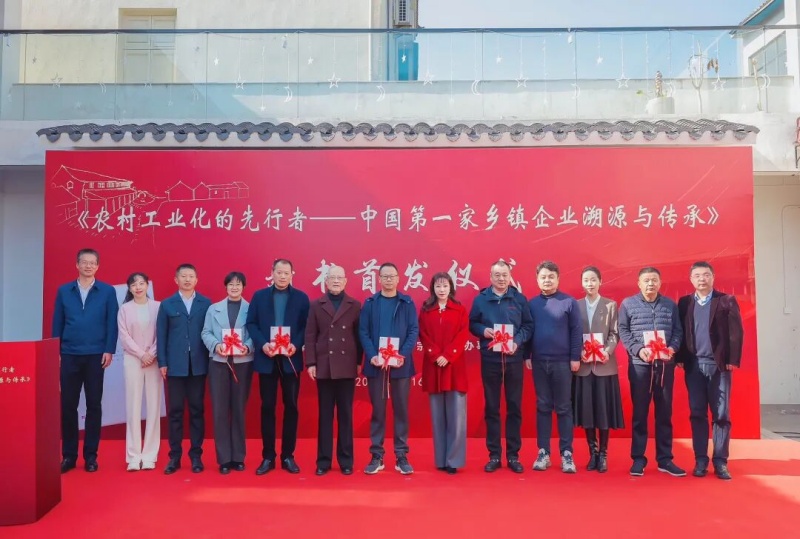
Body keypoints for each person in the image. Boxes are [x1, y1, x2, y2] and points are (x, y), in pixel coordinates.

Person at [676, 261, 744, 481]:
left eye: (706, 275)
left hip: (719, 366)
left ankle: (721, 461)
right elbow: (681, 332)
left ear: (713, 277)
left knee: (721, 414)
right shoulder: (685, 303)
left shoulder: (725, 301)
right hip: (694, 366)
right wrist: (680, 358)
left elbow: (736, 332)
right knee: (697, 413)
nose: (702, 279)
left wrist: (732, 359)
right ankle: (700, 460)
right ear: (691, 279)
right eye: (697, 276)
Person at [53, 248, 119, 473]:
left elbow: (111, 322)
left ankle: (91, 456)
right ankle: (69, 456)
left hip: (95, 355)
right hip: (69, 354)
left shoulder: (107, 291)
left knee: (94, 405)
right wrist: (56, 351)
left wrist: (109, 349)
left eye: (92, 263)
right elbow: (57, 322)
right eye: (84, 262)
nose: (88, 266)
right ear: (77, 265)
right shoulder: (64, 291)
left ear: (98, 266)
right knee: (68, 405)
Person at [618, 266, 685, 478]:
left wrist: (673, 348)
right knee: (640, 413)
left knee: (664, 413)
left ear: (660, 282)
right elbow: (623, 331)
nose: (650, 284)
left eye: (654, 280)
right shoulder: (628, 304)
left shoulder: (670, 305)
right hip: (640, 365)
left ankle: (665, 459)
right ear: (639, 283)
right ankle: (638, 459)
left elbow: (678, 331)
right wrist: (638, 349)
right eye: (646, 280)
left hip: (664, 366)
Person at [469, 260, 533, 474]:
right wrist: (483, 331)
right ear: (491, 276)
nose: (501, 279)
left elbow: (528, 326)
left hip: (514, 359)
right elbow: (472, 324)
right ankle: (494, 455)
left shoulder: (519, 298)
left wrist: (517, 341)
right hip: (491, 359)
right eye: (497, 275)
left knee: (514, 407)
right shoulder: (481, 299)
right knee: (492, 407)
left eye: (505, 275)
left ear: (510, 276)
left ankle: (513, 455)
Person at [246, 259, 310, 475]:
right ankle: (268, 457)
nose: (282, 276)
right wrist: (263, 344)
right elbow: (251, 323)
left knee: (291, 406)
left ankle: (288, 456)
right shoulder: (259, 296)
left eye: (286, 273)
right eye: (279, 272)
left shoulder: (301, 298)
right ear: (272, 273)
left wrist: (296, 344)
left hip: (290, 360)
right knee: (267, 407)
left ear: (292, 274)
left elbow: (306, 326)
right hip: (267, 359)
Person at [359, 262, 419, 475]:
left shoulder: (407, 303)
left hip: (401, 366)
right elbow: (363, 332)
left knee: (401, 410)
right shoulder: (370, 303)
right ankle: (377, 455)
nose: (388, 280)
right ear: (379, 279)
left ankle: (401, 455)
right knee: (378, 410)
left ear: (398, 278)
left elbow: (413, 330)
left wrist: (402, 354)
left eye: (392, 276)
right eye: (384, 276)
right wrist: (372, 356)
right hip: (376, 366)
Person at [304, 265, 362, 476]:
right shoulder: (316, 305)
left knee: (346, 415)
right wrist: (311, 363)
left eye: (339, 278)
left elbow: (359, 336)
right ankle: (323, 461)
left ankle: (346, 460)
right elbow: (310, 335)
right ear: (326, 281)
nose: (336, 281)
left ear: (345, 281)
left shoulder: (354, 305)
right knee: (325, 416)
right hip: (325, 366)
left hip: (346, 366)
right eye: (332, 278)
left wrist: (359, 362)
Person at [527, 261, 582, 474]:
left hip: (562, 362)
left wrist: (575, 357)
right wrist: (526, 355)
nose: (547, 280)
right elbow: (528, 331)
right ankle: (543, 452)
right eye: (543, 277)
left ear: (558, 279)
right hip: (539, 361)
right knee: (543, 406)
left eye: (551, 276)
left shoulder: (568, 302)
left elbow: (576, 331)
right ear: (537, 279)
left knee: (564, 407)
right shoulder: (532, 304)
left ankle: (566, 453)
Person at [157, 263, 212, 475]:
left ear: (196, 280)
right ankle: (175, 457)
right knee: (176, 411)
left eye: (191, 276)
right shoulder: (167, 304)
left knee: (197, 410)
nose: (187, 280)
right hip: (175, 366)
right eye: (183, 276)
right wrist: (163, 362)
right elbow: (161, 335)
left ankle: (196, 456)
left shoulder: (205, 303)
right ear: (176, 279)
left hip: (198, 365)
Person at [201, 271, 254, 475]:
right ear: (226, 287)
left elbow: (255, 332)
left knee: (239, 410)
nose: (234, 287)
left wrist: (247, 347)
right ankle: (223, 458)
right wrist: (216, 345)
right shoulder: (213, 309)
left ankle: (238, 457)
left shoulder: (251, 309)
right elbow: (205, 332)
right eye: (231, 284)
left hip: (242, 363)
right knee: (220, 411)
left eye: (238, 284)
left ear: (243, 287)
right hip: (219, 363)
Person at [573, 266, 624, 473]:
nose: (590, 283)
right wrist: (578, 352)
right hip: (584, 365)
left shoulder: (610, 305)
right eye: (586, 280)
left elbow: (615, 332)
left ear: (600, 281)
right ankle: (592, 452)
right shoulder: (575, 305)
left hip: (604, 365)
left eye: (593, 279)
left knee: (603, 411)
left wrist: (607, 351)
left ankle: (603, 453)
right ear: (581, 283)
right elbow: (573, 333)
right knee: (587, 411)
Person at [418, 272, 470, 475]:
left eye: (445, 286)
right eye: (438, 286)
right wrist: (434, 354)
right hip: (434, 366)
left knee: (456, 417)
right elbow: (423, 334)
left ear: (451, 288)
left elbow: (463, 334)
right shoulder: (426, 310)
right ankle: (440, 459)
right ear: (433, 288)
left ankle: (453, 460)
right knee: (437, 417)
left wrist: (448, 355)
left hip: (454, 367)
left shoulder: (459, 310)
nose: (441, 290)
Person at [117, 272, 161, 472]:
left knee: (154, 406)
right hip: (133, 359)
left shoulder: (158, 307)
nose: (138, 287)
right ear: (129, 288)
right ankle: (134, 456)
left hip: (154, 359)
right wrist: (141, 354)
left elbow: (162, 333)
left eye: (142, 283)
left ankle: (150, 454)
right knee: (133, 406)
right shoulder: (124, 309)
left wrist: (151, 354)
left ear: (147, 285)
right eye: (134, 284)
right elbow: (124, 336)